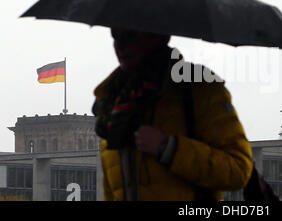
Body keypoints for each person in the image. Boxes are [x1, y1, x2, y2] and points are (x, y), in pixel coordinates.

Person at [92, 28, 253, 201]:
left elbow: (238, 170)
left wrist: (167, 147)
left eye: (130, 35)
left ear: (160, 36)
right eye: (116, 36)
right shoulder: (112, 107)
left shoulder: (198, 88)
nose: (120, 45)